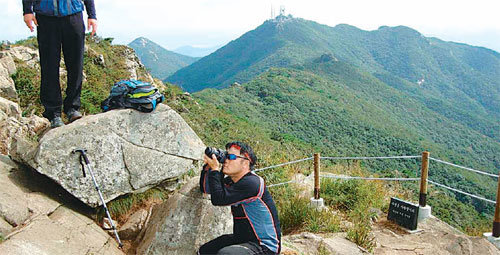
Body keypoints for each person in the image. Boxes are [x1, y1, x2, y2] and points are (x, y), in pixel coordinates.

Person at [22, 0, 97, 128]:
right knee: (49, 66)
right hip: (46, 17)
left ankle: (72, 108)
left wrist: (92, 14)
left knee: (76, 65)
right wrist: (27, 11)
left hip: (74, 15)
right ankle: (53, 113)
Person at [199, 141, 281, 255]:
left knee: (226, 254)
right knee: (205, 251)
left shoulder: (252, 183)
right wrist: (208, 167)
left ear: (245, 163)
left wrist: (215, 170)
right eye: (225, 156)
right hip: (242, 240)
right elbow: (207, 188)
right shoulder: (233, 182)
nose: (226, 160)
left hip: (265, 245)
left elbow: (218, 199)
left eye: (231, 157)